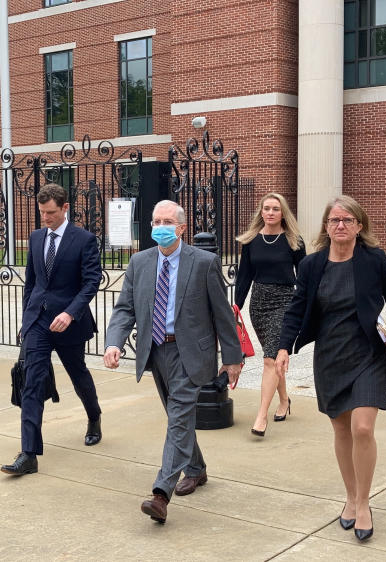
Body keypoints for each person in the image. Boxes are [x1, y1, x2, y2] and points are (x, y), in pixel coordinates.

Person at [275, 195, 386, 543]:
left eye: (346, 220)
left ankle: (364, 502)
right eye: (333, 221)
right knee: (342, 429)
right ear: (326, 227)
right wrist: (283, 347)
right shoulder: (313, 266)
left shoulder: (373, 259)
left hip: (369, 353)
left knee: (362, 428)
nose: (340, 226)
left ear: (359, 225)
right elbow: (297, 309)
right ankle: (351, 496)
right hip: (330, 355)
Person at [103, 200, 243, 524]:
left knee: (178, 417)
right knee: (176, 415)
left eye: (168, 221)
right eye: (156, 220)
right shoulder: (139, 263)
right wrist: (113, 343)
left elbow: (222, 313)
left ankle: (160, 494)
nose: (161, 226)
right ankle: (196, 468)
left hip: (190, 352)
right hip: (155, 351)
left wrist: (233, 358)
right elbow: (125, 308)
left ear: (181, 228)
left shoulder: (204, 262)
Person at [1, 183, 103, 476]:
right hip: (38, 321)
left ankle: (94, 417)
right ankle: (29, 453)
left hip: (69, 322)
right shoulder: (35, 238)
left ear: (65, 208)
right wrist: (26, 320)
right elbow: (31, 284)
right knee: (31, 382)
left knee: (78, 374)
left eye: (51, 212)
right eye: (42, 212)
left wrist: (70, 314)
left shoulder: (83, 240)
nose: (45, 218)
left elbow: (91, 282)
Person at [234, 192, 305, 437]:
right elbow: (244, 276)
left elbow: (304, 276)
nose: (271, 212)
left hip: (286, 301)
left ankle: (261, 416)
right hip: (259, 303)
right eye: (267, 208)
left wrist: (306, 305)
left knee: (270, 360)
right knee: (275, 359)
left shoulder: (294, 240)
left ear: (283, 212)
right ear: (261, 212)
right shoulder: (251, 240)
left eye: (276, 208)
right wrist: (236, 306)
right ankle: (284, 400)